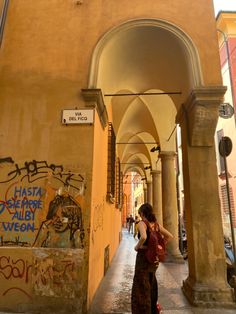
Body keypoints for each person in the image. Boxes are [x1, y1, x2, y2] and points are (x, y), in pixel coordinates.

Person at [131, 203, 173, 314]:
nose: (140, 216)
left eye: (140, 213)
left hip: (143, 257)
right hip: (153, 259)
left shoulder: (142, 223)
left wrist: (137, 246)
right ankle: (153, 309)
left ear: (143, 213)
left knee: (141, 284)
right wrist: (158, 246)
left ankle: (143, 310)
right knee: (151, 281)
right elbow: (170, 236)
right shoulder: (156, 225)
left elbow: (144, 237)